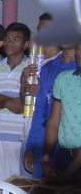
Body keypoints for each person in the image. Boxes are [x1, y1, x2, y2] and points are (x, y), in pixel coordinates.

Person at [0, 21, 31, 180]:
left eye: (15, 39)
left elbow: (23, 106)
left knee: (20, 184)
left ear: (26, 44)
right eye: (7, 39)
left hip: (21, 136)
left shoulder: (32, 67)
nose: (9, 43)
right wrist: (8, 101)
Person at [22, 43, 77, 177]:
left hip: (75, 142)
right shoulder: (49, 67)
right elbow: (41, 111)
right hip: (46, 140)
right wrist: (31, 147)